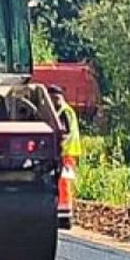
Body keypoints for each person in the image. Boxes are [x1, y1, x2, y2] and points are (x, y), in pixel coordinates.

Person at [48, 84, 81, 229]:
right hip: (67, 153)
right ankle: (62, 215)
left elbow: (65, 133)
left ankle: (65, 217)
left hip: (67, 153)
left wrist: (58, 147)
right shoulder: (64, 110)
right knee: (63, 185)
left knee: (64, 184)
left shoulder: (64, 112)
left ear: (56, 97)